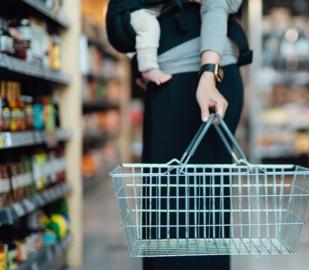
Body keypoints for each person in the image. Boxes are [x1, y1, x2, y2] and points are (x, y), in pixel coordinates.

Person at [106, 0, 250, 269]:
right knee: (168, 211)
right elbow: (119, 28)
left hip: (201, 83)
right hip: (170, 82)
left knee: (198, 212)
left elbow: (215, 5)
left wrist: (208, 75)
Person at [130, 0, 242, 86]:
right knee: (147, 25)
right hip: (145, 14)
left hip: (216, 64)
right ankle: (147, 68)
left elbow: (230, 5)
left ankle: (146, 67)